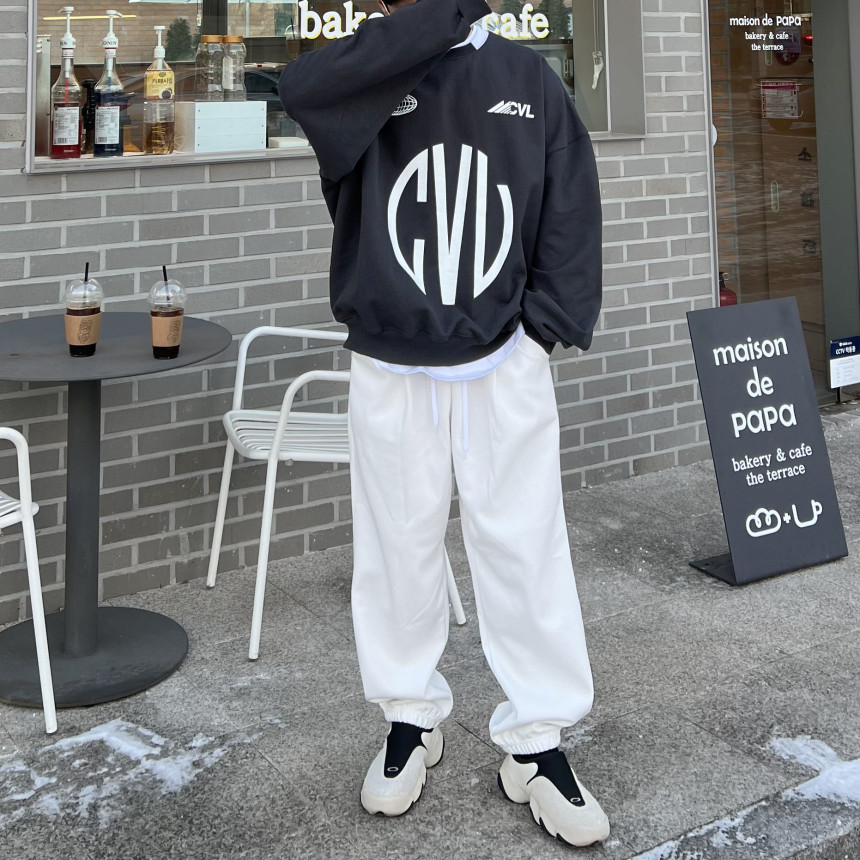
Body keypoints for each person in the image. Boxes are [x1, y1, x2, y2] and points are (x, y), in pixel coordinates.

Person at [278, 0, 608, 846]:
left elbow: (571, 207)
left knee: (524, 544)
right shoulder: (369, 70)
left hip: (504, 360)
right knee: (397, 547)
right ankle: (408, 718)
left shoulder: (527, 78)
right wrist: (433, 18)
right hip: (391, 361)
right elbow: (303, 90)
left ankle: (536, 741)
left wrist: (541, 332)